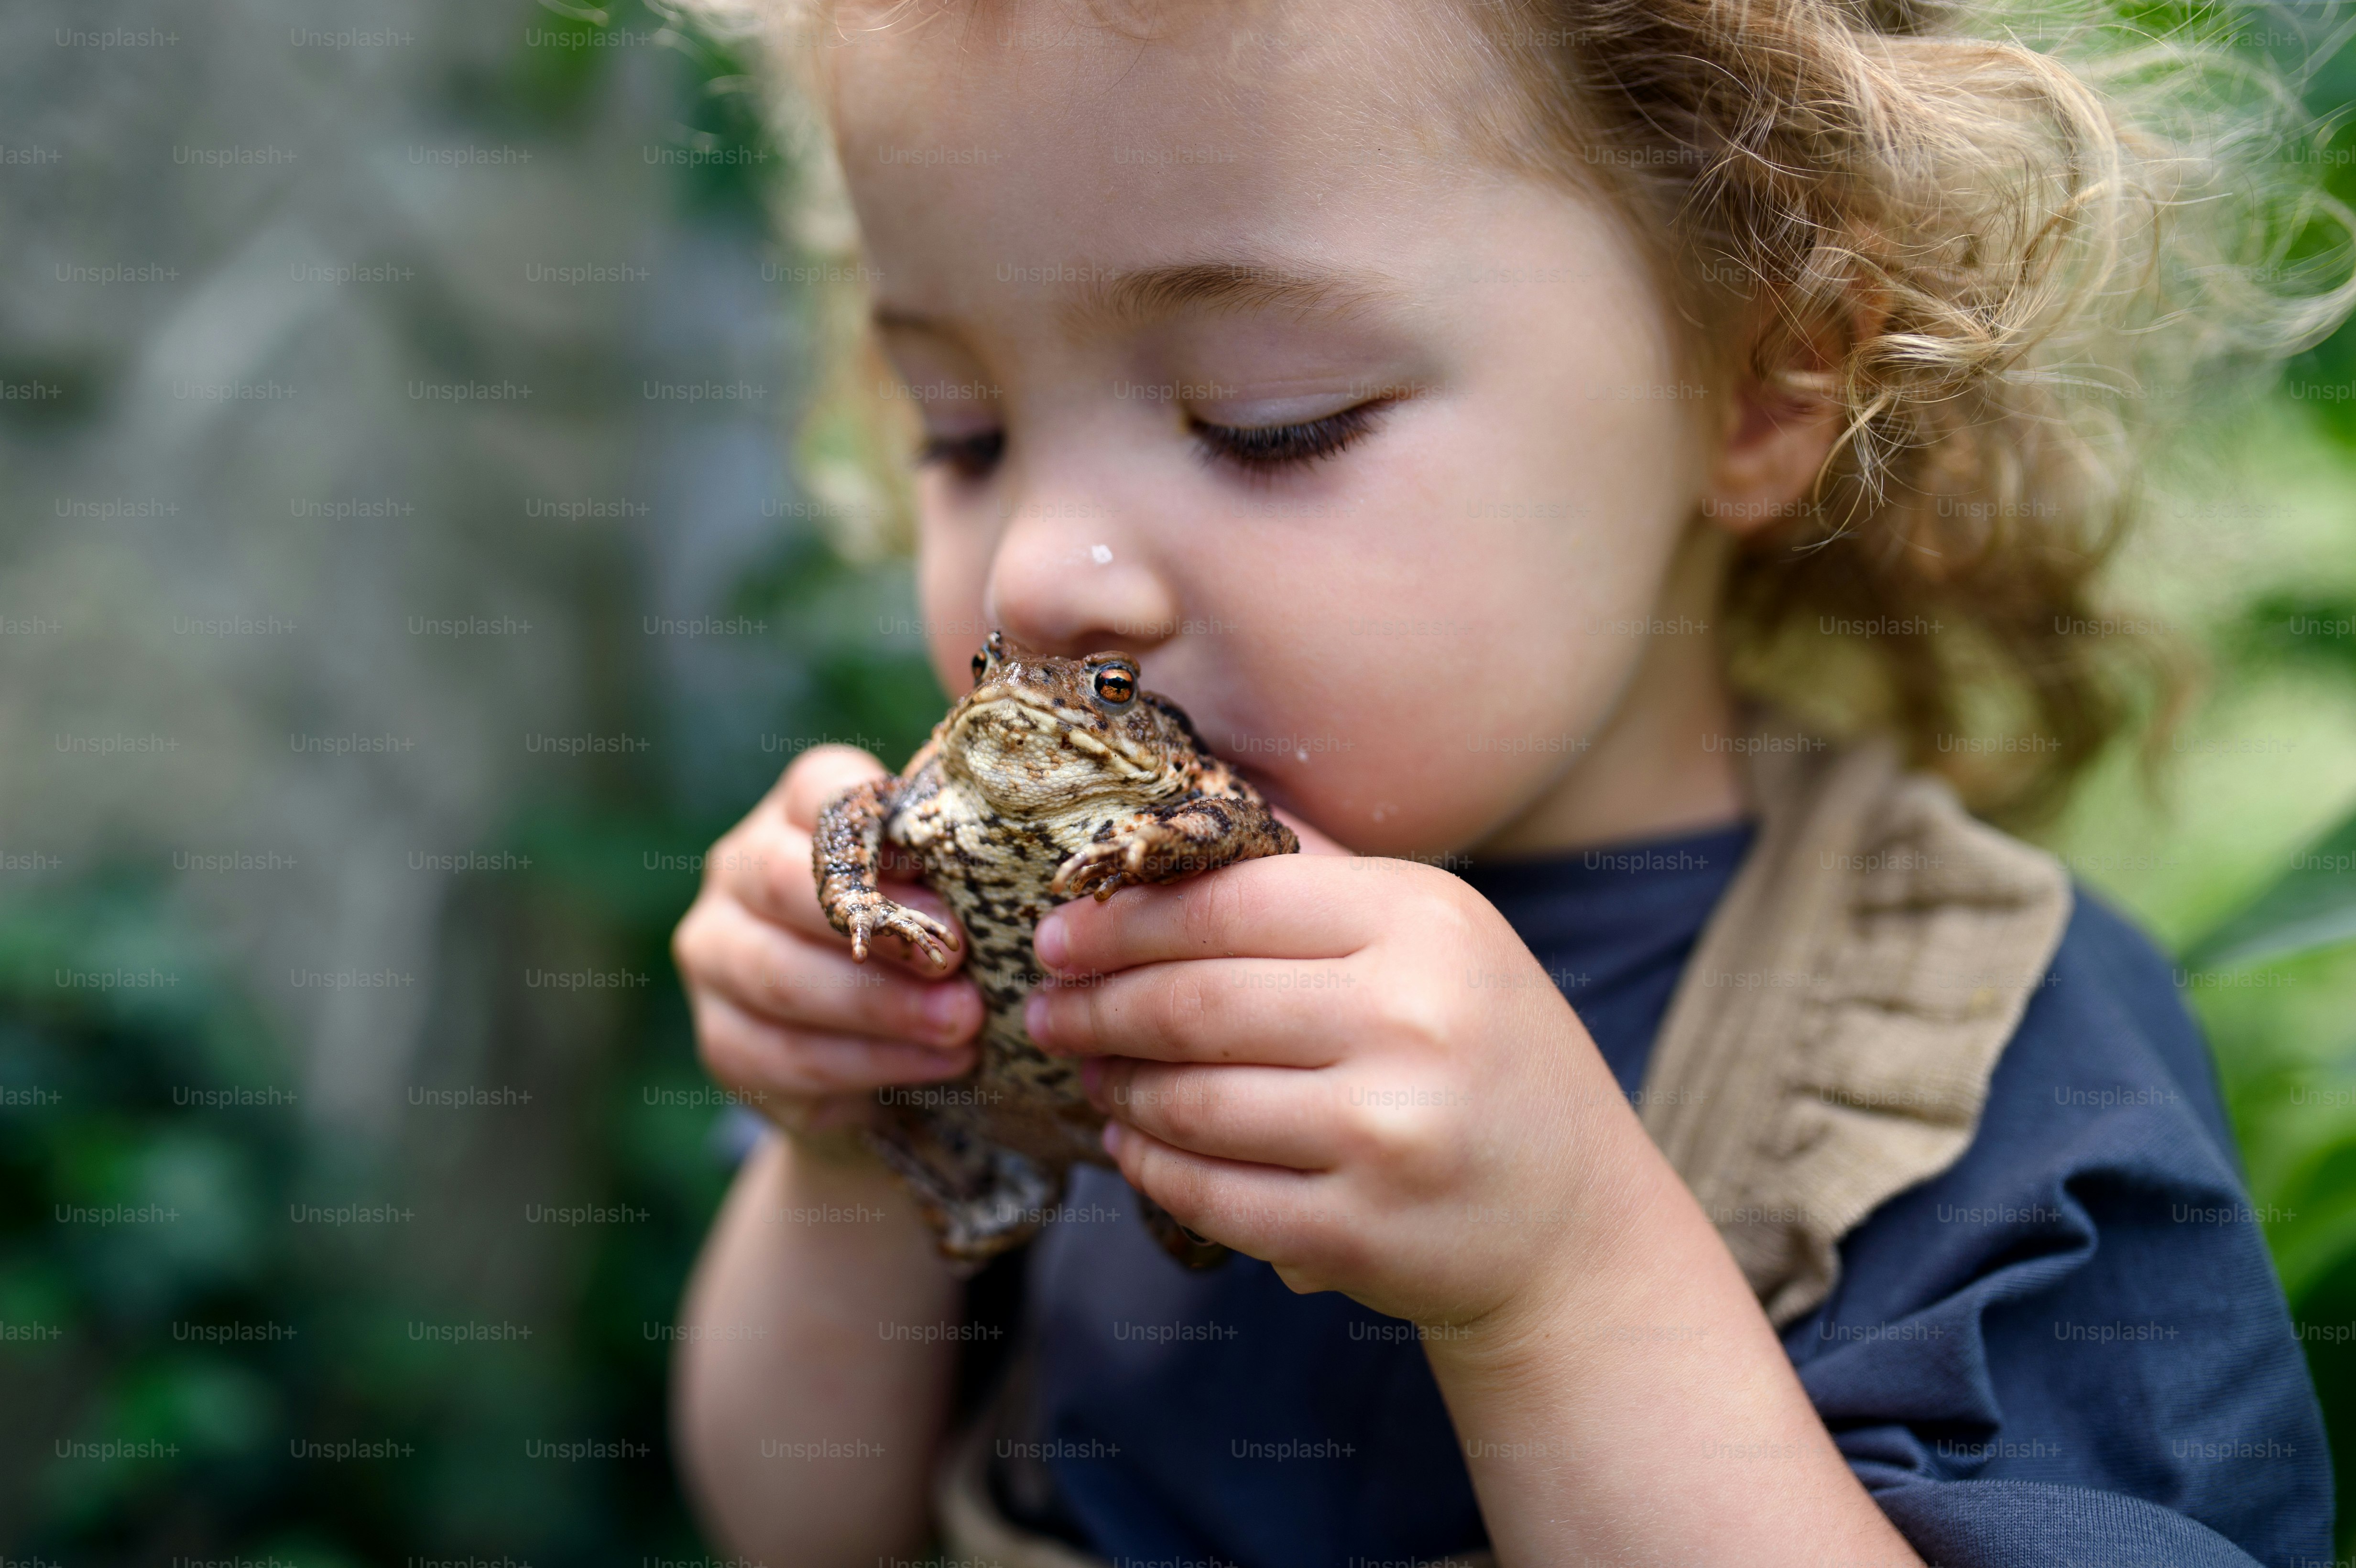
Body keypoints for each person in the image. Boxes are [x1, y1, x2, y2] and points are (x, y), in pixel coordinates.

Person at [666, 1, 2350, 1562]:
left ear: (1760, 383)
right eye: (962, 429)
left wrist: (1563, 1285)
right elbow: (802, 1525)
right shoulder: (1046, 957)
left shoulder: (1983, 1060)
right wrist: (850, 1152)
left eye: (1271, 420)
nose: (1038, 572)